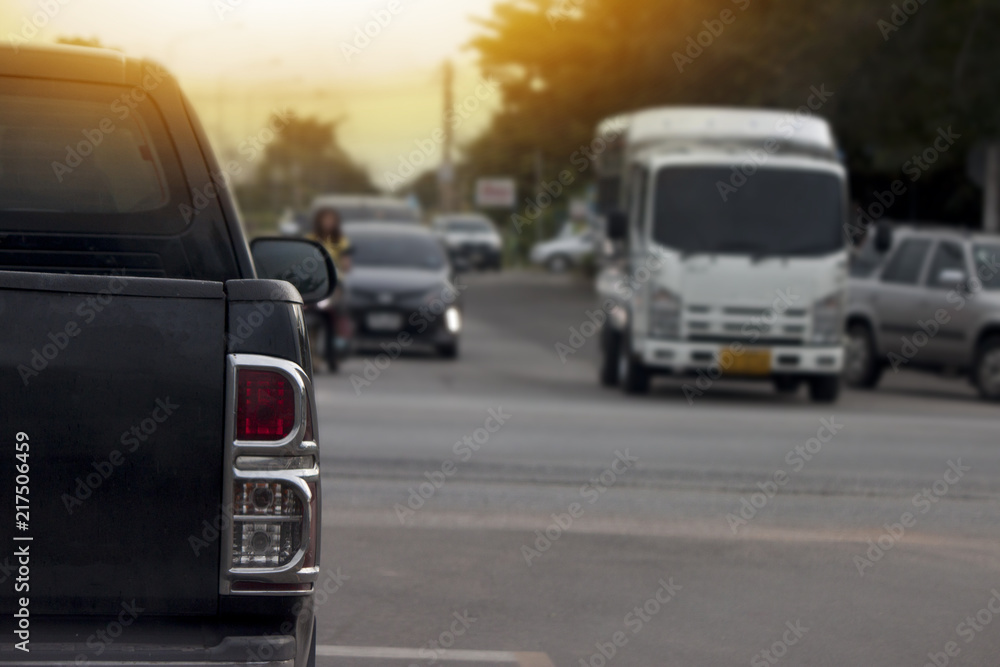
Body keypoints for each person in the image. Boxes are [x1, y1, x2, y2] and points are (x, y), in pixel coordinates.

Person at [309, 207, 352, 273]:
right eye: (325, 219)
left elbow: (346, 263)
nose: (328, 222)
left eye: (331, 219)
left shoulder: (341, 241)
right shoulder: (311, 238)